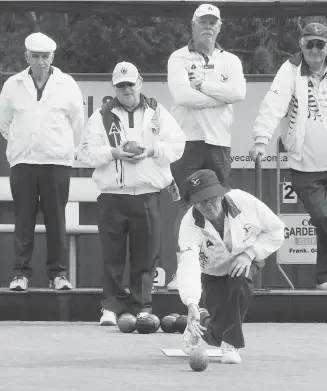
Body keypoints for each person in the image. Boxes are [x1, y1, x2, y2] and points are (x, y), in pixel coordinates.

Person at [76, 61, 185, 326]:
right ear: (114, 87)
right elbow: (84, 153)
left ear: (140, 83)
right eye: (121, 85)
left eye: (130, 84)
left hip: (147, 194)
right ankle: (111, 307)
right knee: (112, 255)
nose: (126, 89)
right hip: (113, 195)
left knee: (146, 256)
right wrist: (112, 153)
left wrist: (151, 151)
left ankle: (142, 306)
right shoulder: (101, 115)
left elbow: (177, 145)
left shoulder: (158, 113)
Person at [166, 3, 246, 289]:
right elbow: (182, 96)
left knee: (221, 206)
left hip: (220, 144)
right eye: (203, 22)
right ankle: (183, 272)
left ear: (220, 26)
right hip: (187, 142)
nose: (208, 27)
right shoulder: (178, 58)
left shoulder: (231, 60)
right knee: (189, 207)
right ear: (193, 25)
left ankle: (218, 270)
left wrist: (203, 84)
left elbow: (239, 92)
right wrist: (219, 97)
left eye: (213, 23)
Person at [0, 32, 84, 291]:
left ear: (52, 57)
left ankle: (58, 274)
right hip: (23, 161)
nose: (40, 62)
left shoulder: (67, 83)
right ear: (26, 56)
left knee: (56, 219)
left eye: (44, 57)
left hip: (56, 162)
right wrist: (19, 145)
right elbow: (4, 123)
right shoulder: (13, 84)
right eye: (35, 56)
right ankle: (20, 274)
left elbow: (78, 123)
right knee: (23, 219)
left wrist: (63, 149)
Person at [176, 169, 284, 363]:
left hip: (246, 259)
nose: (208, 205)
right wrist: (192, 303)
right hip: (212, 272)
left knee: (240, 278)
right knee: (215, 333)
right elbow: (189, 264)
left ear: (221, 194)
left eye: (211, 198)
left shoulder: (244, 202)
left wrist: (249, 254)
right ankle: (203, 319)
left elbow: (276, 231)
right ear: (194, 203)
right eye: (201, 201)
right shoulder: (189, 225)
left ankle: (231, 343)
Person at [250, 22, 327, 291]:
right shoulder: (290, 70)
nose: (315, 50)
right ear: (301, 45)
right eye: (310, 44)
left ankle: (324, 279)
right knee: (324, 217)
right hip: (305, 165)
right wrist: (261, 140)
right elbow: (273, 105)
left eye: (321, 44)